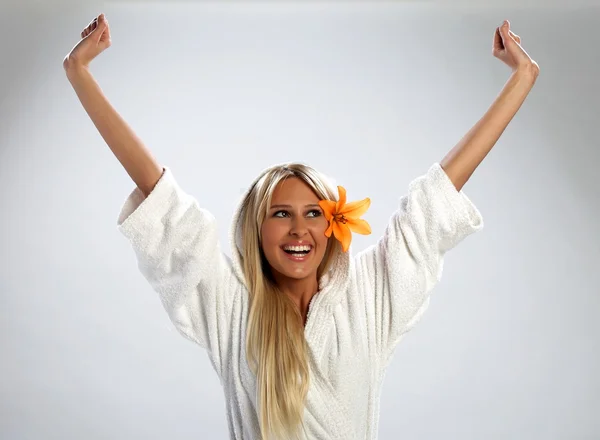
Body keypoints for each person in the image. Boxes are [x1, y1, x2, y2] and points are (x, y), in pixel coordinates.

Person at [63, 13, 539, 440]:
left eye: (313, 213)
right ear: (256, 228)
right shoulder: (232, 308)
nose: (298, 230)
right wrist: (79, 74)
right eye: (280, 213)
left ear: (333, 223)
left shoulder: (369, 296)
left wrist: (522, 77)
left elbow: (435, 198)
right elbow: (160, 195)